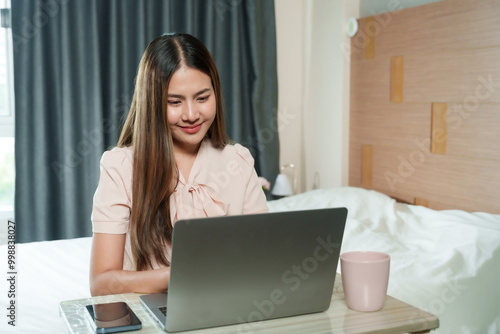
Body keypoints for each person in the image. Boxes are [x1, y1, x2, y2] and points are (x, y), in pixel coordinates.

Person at [89, 33, 268, 296]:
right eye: (174, 102)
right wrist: (181, 274)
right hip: (152, 312)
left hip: (228, 305)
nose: (191, 115)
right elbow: (101, 284)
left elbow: (262, 257)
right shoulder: (121, 166)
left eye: (202, 98)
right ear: (152, 103)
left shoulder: (238, 161)